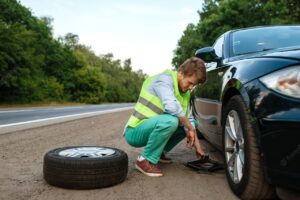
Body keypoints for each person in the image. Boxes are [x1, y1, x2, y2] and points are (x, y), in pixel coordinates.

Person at [124, 57, 207, 177]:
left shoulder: (185, 93)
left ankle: (158, 152)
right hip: (134, 131)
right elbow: (171, 107)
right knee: (172, 121)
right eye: (190, 83)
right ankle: (144, 160)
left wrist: (198, 149)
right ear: (181, 73)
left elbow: (189, 120)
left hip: (153, 126)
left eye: (193, 85)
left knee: (192, 123)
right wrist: (190, 128)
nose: (190, 88)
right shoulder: (163, 80)